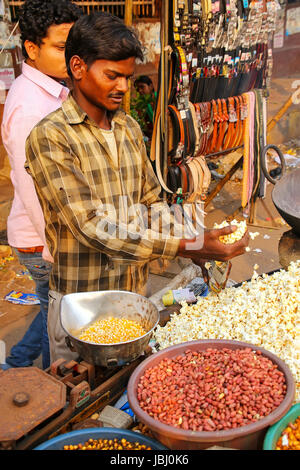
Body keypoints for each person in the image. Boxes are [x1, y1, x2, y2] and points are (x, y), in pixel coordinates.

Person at [25, 12, 249, 363]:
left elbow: (149, 203)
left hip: (133, 300)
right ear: (79, 67)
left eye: (127, 77)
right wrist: (187, 245)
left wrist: (198, 238)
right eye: (112, 75)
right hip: (83, 310)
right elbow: (92, 228)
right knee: (83, 405)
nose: (124, 88)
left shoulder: (128, 128)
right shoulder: (51, 136)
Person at [1, 0, 81, 370]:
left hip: (48, 234)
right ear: (32, 49)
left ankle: (16, 363)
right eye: (62, 48)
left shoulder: (52, 91)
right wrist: (56, 246)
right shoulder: (30, 107)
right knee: (61, 325)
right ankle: (55, 391)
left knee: (52, 305)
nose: (73, 57)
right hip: (42, 239)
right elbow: (31, 185)